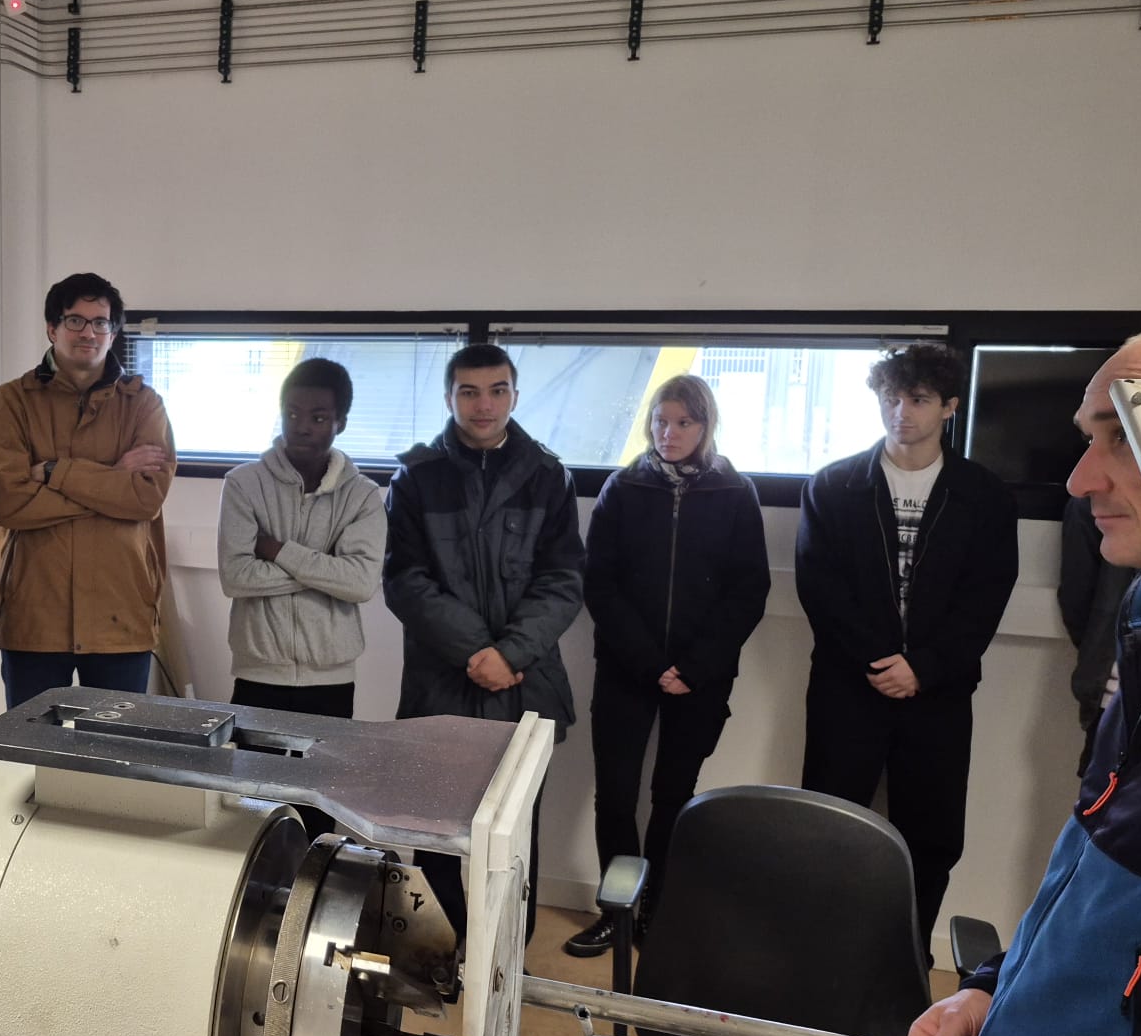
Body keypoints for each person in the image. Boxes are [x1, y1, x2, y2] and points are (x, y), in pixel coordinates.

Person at [905, 337, 1141, 1036]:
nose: (1081, 480)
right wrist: (995, 994)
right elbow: (1092, 891)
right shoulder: (1140, 625)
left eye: (1117, 439)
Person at [796, 342, 1017, 943]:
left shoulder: (983, 494)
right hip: (848, 686)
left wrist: (923, 666)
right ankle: (823, 952)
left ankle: (907, 956)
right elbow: (820, 588)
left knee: (931, 837)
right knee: (828, 823)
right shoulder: (834, 484)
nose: (901, 412)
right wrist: (880, 662)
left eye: (918, 399)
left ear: (948, 406)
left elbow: (986, 596)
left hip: (938, 693)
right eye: (891, 398)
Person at [566, 374, 770, 958]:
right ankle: (616, 911)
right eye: (660, 420)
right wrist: (651, 664)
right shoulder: (623, 486)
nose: (669, 432)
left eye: (684, 422)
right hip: (627, 669)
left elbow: (748, 591)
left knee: (674, 796)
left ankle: (656, 908)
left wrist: (692, 667)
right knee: (615, 794)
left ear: (705, 425)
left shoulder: (736, 491)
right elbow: (600, 584)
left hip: (701, 677)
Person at [384, 342, 584, 929]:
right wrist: (476, 652)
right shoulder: (418, 477)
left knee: (515, 835)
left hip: (525, 685)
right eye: (469, 392)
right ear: (449, 397)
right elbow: (405, 581)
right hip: (441, 686)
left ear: (515, 396)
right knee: (435, 831)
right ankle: (435, 953)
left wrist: (510, 654)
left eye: (497, 391)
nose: (484, 405)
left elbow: (563, 580)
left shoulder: (548, 475)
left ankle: (507, 957)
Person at [0, 273, 175, 711]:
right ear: (52, 328)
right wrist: (113, 479)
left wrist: (54, 471)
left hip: (121, 614)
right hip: (34, 614)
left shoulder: (144, 405)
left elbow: (145, 498)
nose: (89, 332)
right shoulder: (8, 404)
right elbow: (8, 503)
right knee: (29, 747)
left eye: (100, 322)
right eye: (75, 320)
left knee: (114, 747)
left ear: (113, 332)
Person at [217, 359, 385, 719]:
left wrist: (277, 550)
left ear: (341, 423)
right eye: (292, 414)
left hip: (332, 679)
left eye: (318, 418)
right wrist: (328, 571)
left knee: (326, 762)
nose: (302, 427)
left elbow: (360, 584)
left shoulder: (363, 496)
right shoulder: (243, 484)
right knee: (248, 760)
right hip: (257, 673)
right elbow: (235, 577)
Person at [1059, 491, 1133, 776]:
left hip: (1115, 696)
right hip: (1116, 703)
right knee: (1104, 797)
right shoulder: (1095, 503)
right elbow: (1077, 604)